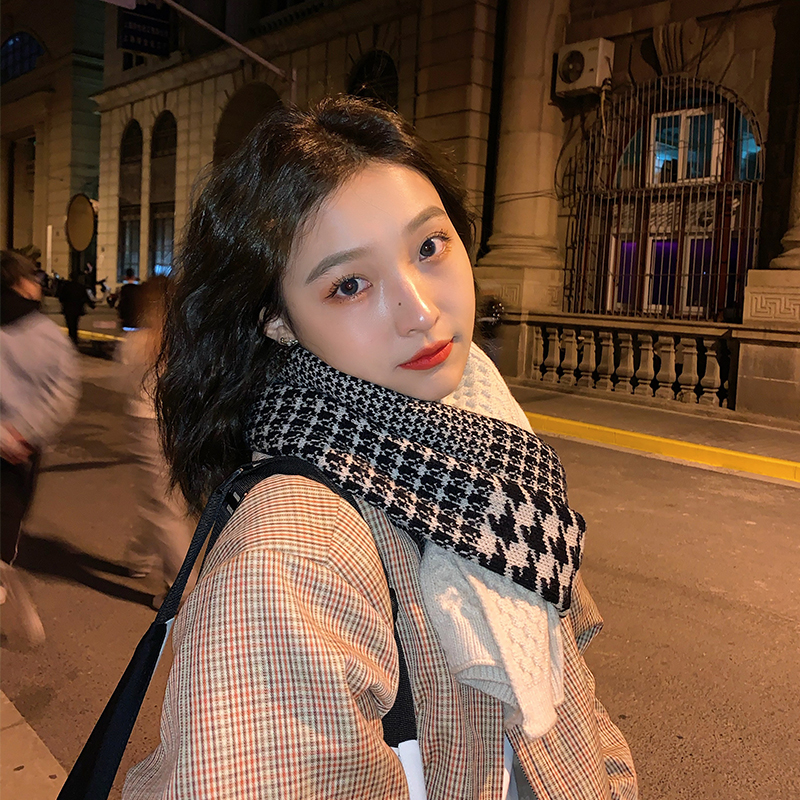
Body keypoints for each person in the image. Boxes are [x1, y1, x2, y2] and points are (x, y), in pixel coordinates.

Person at [122, 97, 637, 799]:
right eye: (350, 285)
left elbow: (574, 709)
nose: (421, 311)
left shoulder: (486, 437)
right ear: (277, 320)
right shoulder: (295, 557)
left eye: (429, 247)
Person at [0, 250, 80, 645]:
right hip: (21, 448)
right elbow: (63, 392)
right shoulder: (44, 332)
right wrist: (25, 434)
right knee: (9, 513)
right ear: (19, 283)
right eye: (32, 278)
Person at [117, 275, 193, 608]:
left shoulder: (136, 343)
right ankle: (141, 555)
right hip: (177, 426)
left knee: (163, 506)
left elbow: (124, 384)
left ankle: (181, 591)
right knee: (164, 498)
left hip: (146, 423)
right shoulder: (186, 343)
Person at [57, 274, 95, 345]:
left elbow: (61, 298)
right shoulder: (81, 287)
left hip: (68, 308)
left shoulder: (66, 286)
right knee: (75, 323)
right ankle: (74, 338)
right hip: (77, 308)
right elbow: (85, 298)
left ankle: (71, 337)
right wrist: (92, 305)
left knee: (70, 324)